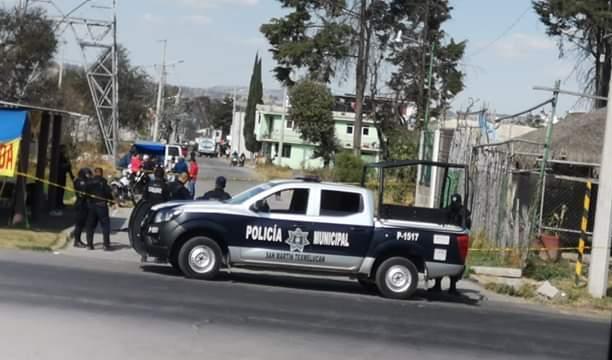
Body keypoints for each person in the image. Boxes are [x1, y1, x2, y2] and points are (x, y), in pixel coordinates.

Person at [85, 167, 114, 251]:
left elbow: (86, 193)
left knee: (90, 226)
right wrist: (111, 201)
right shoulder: (103, 182)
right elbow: (108, 192)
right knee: (105, 226)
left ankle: (89, 245)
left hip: (92, 206)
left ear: (95, 173)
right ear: (101, 173)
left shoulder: (89, 181)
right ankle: (106, 245)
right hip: (101, 206)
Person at [72, 168, 92, 248]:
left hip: (85, 204)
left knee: (82, 224)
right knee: (79, 224)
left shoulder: (84, 181)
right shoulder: (80, 181)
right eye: (87, 174)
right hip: (81, 204)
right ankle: (77, 241)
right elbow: (84, 192)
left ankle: (79, 240)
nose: (89, 176)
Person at [55, 145, 74, 213]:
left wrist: (72, 176)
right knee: (58, 190)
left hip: (63, 176)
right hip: (58, 176)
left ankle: (60, 202)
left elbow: (69, 168)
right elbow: (61, 166)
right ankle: (57, 203)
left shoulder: (64, 157)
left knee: (62, 190)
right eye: (63, 149)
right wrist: (67, 165)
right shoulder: (58, 157)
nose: (64, 151)